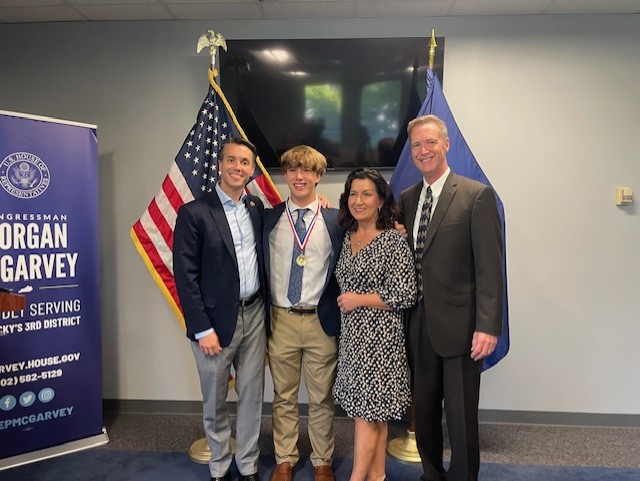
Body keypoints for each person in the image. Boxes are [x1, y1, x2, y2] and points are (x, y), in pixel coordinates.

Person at [397, 114, 503, 481]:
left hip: (461, 326)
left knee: (459, 417)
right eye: (416, 145)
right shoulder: (408, 199)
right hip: (418, 323)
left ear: (446, 144)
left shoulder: (476, 196)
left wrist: (488, 327)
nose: (423, 151)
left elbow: (490, 268)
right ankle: (432, 474)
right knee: (423, 411)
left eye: (430, 142)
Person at [173, 137, 267, 481]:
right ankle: (220, 466)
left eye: (245, 162)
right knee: (214, 400)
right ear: (220, 164)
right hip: (213, 322)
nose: (238, 167)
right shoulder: (195, 213)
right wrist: (201, 328)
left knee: (252, 394)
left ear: (252, 170)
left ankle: (248, 464)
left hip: (255, 314)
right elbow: (185, 276)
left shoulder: (256, 208)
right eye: (232, 160)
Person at [264, 145, 343, 481]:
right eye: (292, 170)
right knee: (283, 395)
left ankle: (322, 460)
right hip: (281, 319)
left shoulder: (336, 220)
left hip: (319, 320)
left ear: (318, 176)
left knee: (322, 397)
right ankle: (285, 457)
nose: (299, 177)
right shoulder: (268, 218)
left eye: (306, 170)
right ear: (286, 175)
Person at [333, 168, 417, 481]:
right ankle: (377, 476)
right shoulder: (348, 236)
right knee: (374, 415)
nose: (359, 200)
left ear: (380, 200)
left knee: (365, 416)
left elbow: (406, 293)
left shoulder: (394, 241)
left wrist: (360, 299)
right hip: (354, 339)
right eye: (353, 194)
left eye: (367, 193)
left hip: (380, 342)